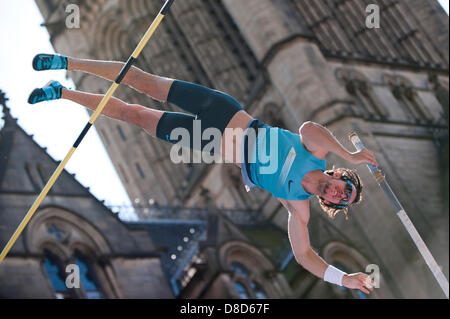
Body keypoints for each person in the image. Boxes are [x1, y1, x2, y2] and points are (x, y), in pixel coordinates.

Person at [29, 53, 378, 295]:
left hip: (207, 142)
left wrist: (344, 278)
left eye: (341, 200)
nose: (337, 194)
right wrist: (350, 153)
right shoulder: (315, 153)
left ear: (332, 203)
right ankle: (65, 62)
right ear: (338, 176)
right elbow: (310, 127)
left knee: (135, 115)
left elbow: (304, 256)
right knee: (142, 82)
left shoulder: (297, 205)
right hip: (223, 111)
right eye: (342, 187)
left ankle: (61, 92)